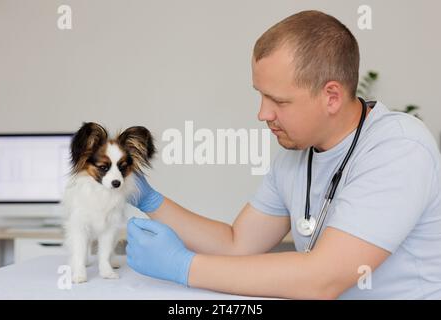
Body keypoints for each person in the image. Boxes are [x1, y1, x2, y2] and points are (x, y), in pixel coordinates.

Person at [125, 10, 441, 299]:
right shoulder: (295, 155)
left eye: (279, 101)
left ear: (331, 96)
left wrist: (184, 267)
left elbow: (323, 279)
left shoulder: (399, 147)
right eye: (261, 95)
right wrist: (148, 199)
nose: (263, 114)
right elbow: (237, 245)